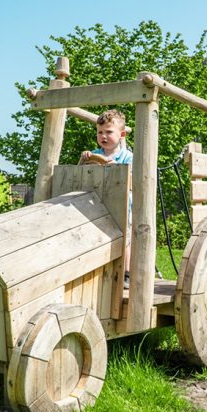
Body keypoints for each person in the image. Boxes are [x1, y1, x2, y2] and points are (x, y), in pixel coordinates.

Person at [81, 109, 133, 288]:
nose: (103, 136)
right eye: (100, 132)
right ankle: (99, 270)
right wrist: (84, 159)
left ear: (122, 134)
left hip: (122, 206)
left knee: (125, 239)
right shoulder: (95, 154)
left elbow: (134, 183)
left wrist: (119, 169)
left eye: (109, 132)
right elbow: (82, 175)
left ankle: (127, 273)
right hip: (98, 204)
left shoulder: (127, 157)